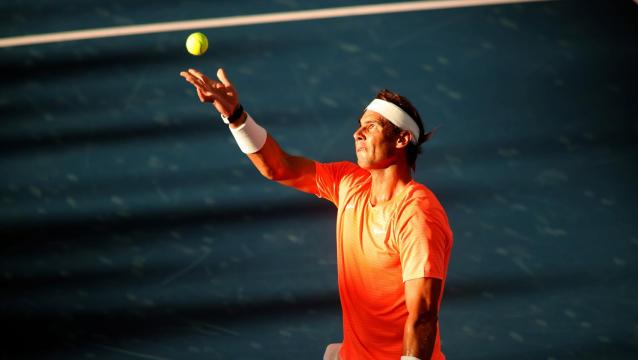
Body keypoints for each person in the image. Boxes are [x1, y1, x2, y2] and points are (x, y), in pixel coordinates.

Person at [180, 68, 453, 360]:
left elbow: (422, 315)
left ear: (401, 140)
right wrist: (235, 115)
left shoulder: (417, 215)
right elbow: (279, 167)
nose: (357, 133)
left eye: (371, 126)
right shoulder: (350, 183)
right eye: (359, 125)